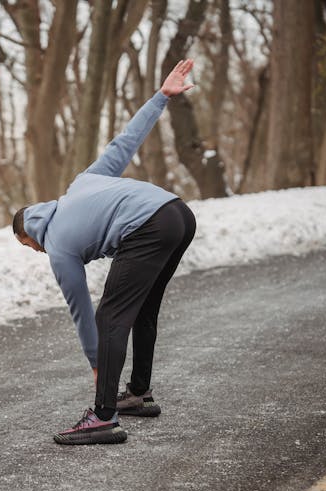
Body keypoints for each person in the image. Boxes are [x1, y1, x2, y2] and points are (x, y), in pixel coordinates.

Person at [12, 60, 197, 445]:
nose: (35, 251)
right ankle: (139, 394)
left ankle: (103, 416)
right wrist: (161, 97)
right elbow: (125, 142)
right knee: (142, 307)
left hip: (147, 226)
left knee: (109, 315)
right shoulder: (83, 183)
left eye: (29, 246)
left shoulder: (58, 245)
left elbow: (82, 312)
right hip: (179, 213)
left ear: (29, 232)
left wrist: (97, 364)